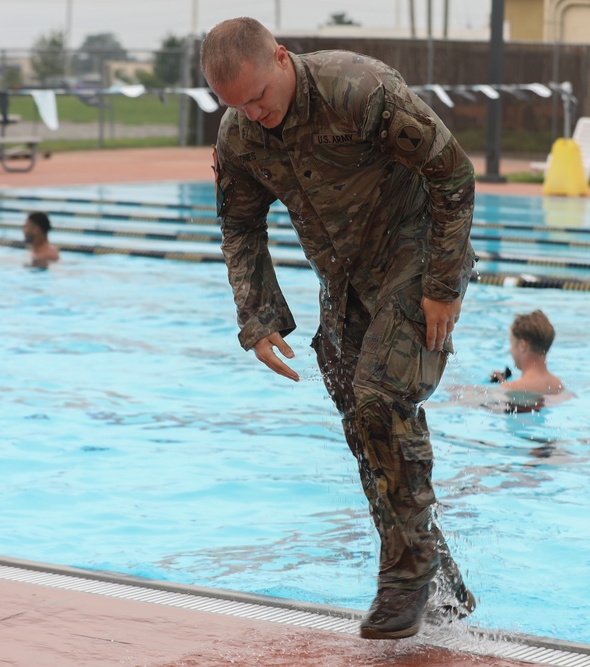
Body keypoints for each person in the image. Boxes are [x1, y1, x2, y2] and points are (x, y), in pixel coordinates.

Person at [200, 17, 478, 640]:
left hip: (416, 251)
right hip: (346, 280)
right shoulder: (241, 131)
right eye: (236, 106)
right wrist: (259, 315)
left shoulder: (360, 90)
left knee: (382, 395)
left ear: (280, 56)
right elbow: (240, 224)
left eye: (258, 97)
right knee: (361, 421)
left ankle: (406, 575)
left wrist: (441, 286)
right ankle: (437, 579)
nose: (253, 114)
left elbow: (453, 176)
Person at [489, 310, 565, 411]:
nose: (510, 350)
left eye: (512, 344)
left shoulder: (511, 388)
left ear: (522, 345)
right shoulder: (557, 384)